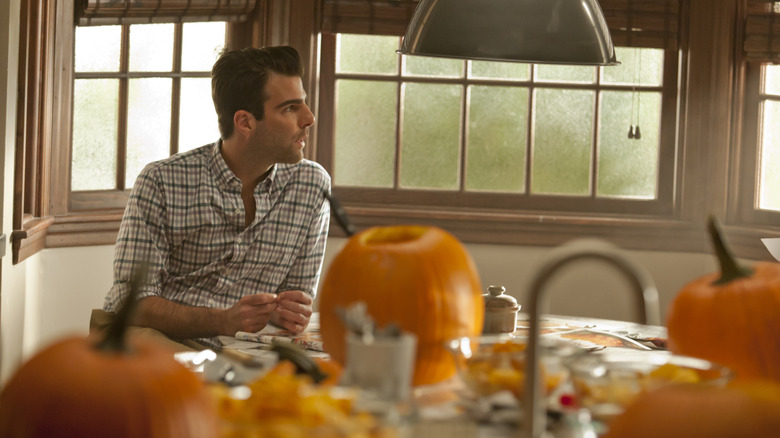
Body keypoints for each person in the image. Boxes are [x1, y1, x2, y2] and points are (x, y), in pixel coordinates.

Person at [101, 46, 330, 348]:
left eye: (304, 103)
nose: (309, 118)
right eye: (290, 108)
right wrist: (223, 320)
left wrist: (293, 311)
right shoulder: (161, 182)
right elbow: (132, 303)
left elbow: (294, 300)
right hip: (159, 342)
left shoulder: (312, 186)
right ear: (245, 122)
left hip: (247, 350)